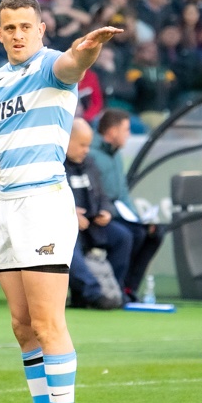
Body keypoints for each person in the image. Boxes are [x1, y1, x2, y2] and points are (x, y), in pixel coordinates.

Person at [0, 0, 120, 403]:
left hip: (45, 204)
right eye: (10, 28)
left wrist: (89, 48)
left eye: (26, 26)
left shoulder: (51, 66)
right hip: (7, 208)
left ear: (41, 28)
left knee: (49, 323)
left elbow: (74, 64)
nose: (18, 34)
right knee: (22, 326)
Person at [89, 108, 164, 301]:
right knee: (127, 236)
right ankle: (113, 289)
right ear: (112, 131)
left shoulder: (116, 156)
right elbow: (95, 196)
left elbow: (122, 193)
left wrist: (138, 219)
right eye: (126, 129)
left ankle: (129, 288)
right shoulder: (91, 154)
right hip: (97, 217)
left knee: (152, 233)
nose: (128, 135)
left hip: (116, 214)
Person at [64, 118, 130, 310]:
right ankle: (93, 293)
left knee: (122, 237)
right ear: (67, 140)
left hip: (92, 225)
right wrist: (70, 214)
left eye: (88, 145)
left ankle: (115, 290)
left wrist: (105, 212)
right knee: (68, 244)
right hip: (65, 226)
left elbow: (102, 195)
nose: (86, 150)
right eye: (82, 145)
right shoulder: (54, 165)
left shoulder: (90, 163)